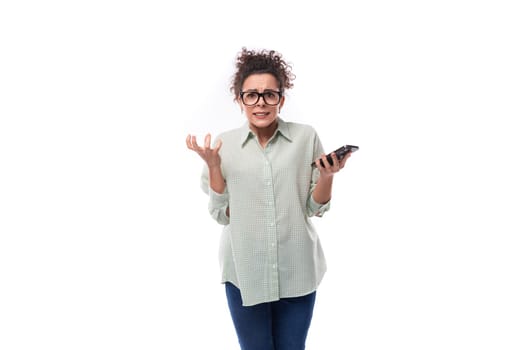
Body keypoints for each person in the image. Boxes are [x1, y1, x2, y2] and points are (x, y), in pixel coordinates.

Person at [186, 47, 353, 350]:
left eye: (269, 94)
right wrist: (213, 166)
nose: (260, 103)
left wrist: (328, 175)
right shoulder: (224, 146)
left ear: (281, 99)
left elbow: (314, 208)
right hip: (244, 270)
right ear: (240, 100)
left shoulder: (305, 137)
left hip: (297, 268)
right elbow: (222, 215)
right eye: (251, 95)